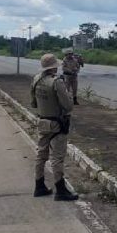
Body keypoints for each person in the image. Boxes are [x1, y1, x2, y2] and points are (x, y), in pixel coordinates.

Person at [30, 53, 78, 201]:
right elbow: (68, 106)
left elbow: (33, 103)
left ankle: (39, 186)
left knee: (41, 155)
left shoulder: (36, 80)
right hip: (57, 124)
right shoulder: (57, 82)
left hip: (42, 122)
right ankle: (61, 190)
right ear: (54, 67)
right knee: (57, 158)